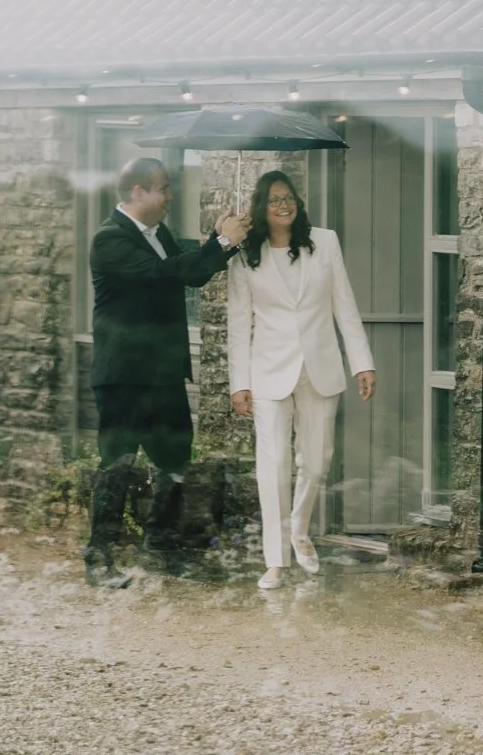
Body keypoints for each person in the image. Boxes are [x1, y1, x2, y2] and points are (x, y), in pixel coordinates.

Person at [87, 157, 249, 586]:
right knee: (118, 464)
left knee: (174, 460)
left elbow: (190, 274)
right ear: (138, 191)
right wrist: (223, 244)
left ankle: (161, 547)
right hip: (123, 375)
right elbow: (166, 274)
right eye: (163, 188)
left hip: (164, 374)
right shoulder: (109, 240)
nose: (169, 196)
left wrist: (218, 237)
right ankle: (99, 558)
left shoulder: (157, 234)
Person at [226, 170, 375, 590]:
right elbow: (239, 325)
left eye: (288, 197)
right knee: (272, 465)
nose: (283, 204)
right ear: (261, 207)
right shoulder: (243, 255)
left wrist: (362, 362)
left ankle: (300, 529)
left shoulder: (324, 242)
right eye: (274, 199)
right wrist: (239, 383)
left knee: (317, 460)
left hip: (320, 368)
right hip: (268, 373)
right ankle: (275, 560)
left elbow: (344, 305)